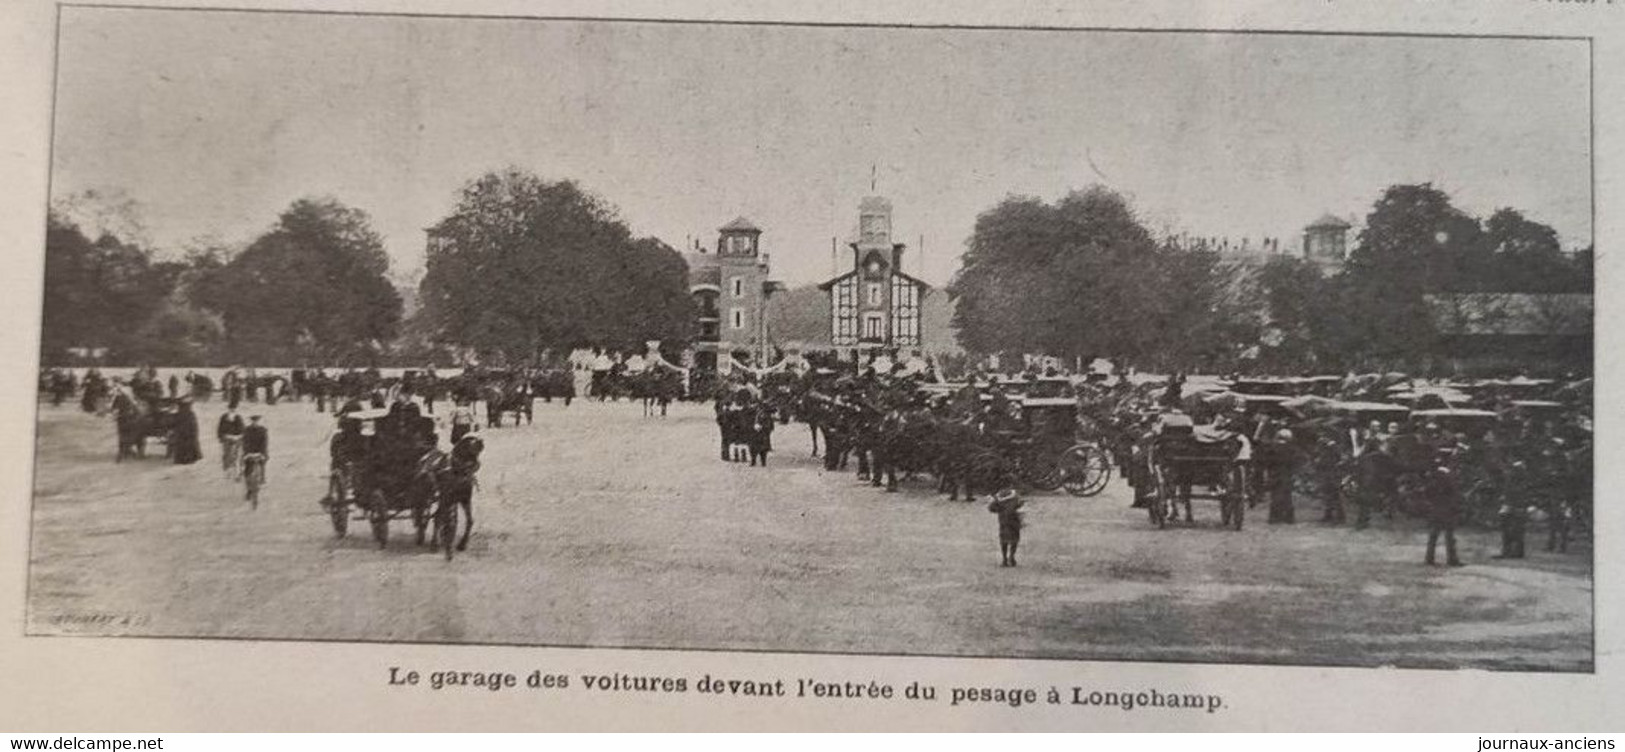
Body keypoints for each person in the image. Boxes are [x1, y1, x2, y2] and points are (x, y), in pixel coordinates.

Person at [1424, 461, 1464, 567]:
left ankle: (1429, 558)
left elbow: (1427, 493)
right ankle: (1452, 559)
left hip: (1436, 508)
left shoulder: (1432, 479)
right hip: (1446, 509)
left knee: (1434, 535)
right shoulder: (1447, 477)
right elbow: (1454, 493)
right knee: (1449, 536)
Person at [988, 487, 1025, 567]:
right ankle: (1012, 556)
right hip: (1014, 520)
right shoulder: (1015, 495)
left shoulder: (998, 497)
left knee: (1003, 539)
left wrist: (1000, 509)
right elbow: (1020, 504)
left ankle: (1004, 559)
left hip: (1003, 520)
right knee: (1014, 539)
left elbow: (991, 508)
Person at [241, 415, 270, 500]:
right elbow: (245, 443)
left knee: (262, 464)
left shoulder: (263, 430)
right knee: (247, 471)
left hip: (260, 453)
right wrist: (247, 453)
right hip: (249, 453)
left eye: (257, 421)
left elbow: (264, 444)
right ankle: (249, 489)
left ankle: (262, 477)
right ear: (251, 421)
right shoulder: (247, 430)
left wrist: (262, 453)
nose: (255, 423)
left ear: (259, 421)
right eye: (253, 421)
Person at [170, 398, 203, 465]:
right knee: (188, 446)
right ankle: (188, 459)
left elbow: (173, 423)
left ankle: (182, 459)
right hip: (187, 434)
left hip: (183, 434)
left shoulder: (179, 414)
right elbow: (194, 425)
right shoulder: (191, 414)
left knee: (184, 446)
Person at [217, 406, 246, 479]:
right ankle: (227, 471)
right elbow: (220, 429)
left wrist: (238, 437)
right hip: (226, 439)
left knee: (237, 456)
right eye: (230, 410)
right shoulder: (224, 417)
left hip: (237, 439)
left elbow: (242, 430)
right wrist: (221, 437)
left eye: (233, 410)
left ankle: (237, 473)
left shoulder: (238, 418)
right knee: (227, 455)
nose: (232, 411)